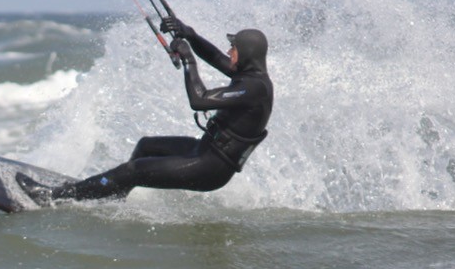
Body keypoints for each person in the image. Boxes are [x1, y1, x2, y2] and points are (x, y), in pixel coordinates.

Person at [16, 17, 273, 205]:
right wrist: (191, 35)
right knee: (146, 146)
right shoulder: (249, 75)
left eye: (234, 48)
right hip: (205, 150)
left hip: (211, 167)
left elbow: (200, 99)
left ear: (246, 53)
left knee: (134, 171)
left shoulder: (255, 88)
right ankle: (113, 195)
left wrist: (188, 60)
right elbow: (219, 59)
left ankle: (53, 197)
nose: (229, 52)